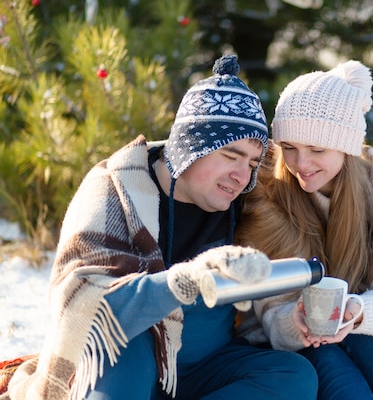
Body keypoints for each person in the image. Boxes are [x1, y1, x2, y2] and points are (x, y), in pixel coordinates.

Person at [2, 55, 317, 400]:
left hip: (205, 365)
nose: (242, 176)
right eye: (230, 155)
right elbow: (83, 304)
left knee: (294, 375)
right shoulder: (116, 188)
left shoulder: (246, 201)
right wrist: (186, 280)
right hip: (129, 354)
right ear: (192, 146)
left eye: (252, 163)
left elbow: (325, 179)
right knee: (126, 347)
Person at [235, 60, 373, 400]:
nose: (301, 164)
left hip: (362, 323)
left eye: (317, 150)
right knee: (343, 380)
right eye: (289, 148)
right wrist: (297, 320)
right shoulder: (268, 193)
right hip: (291, 344)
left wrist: (358, 313)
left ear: (346, 147)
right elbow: (267, 314)